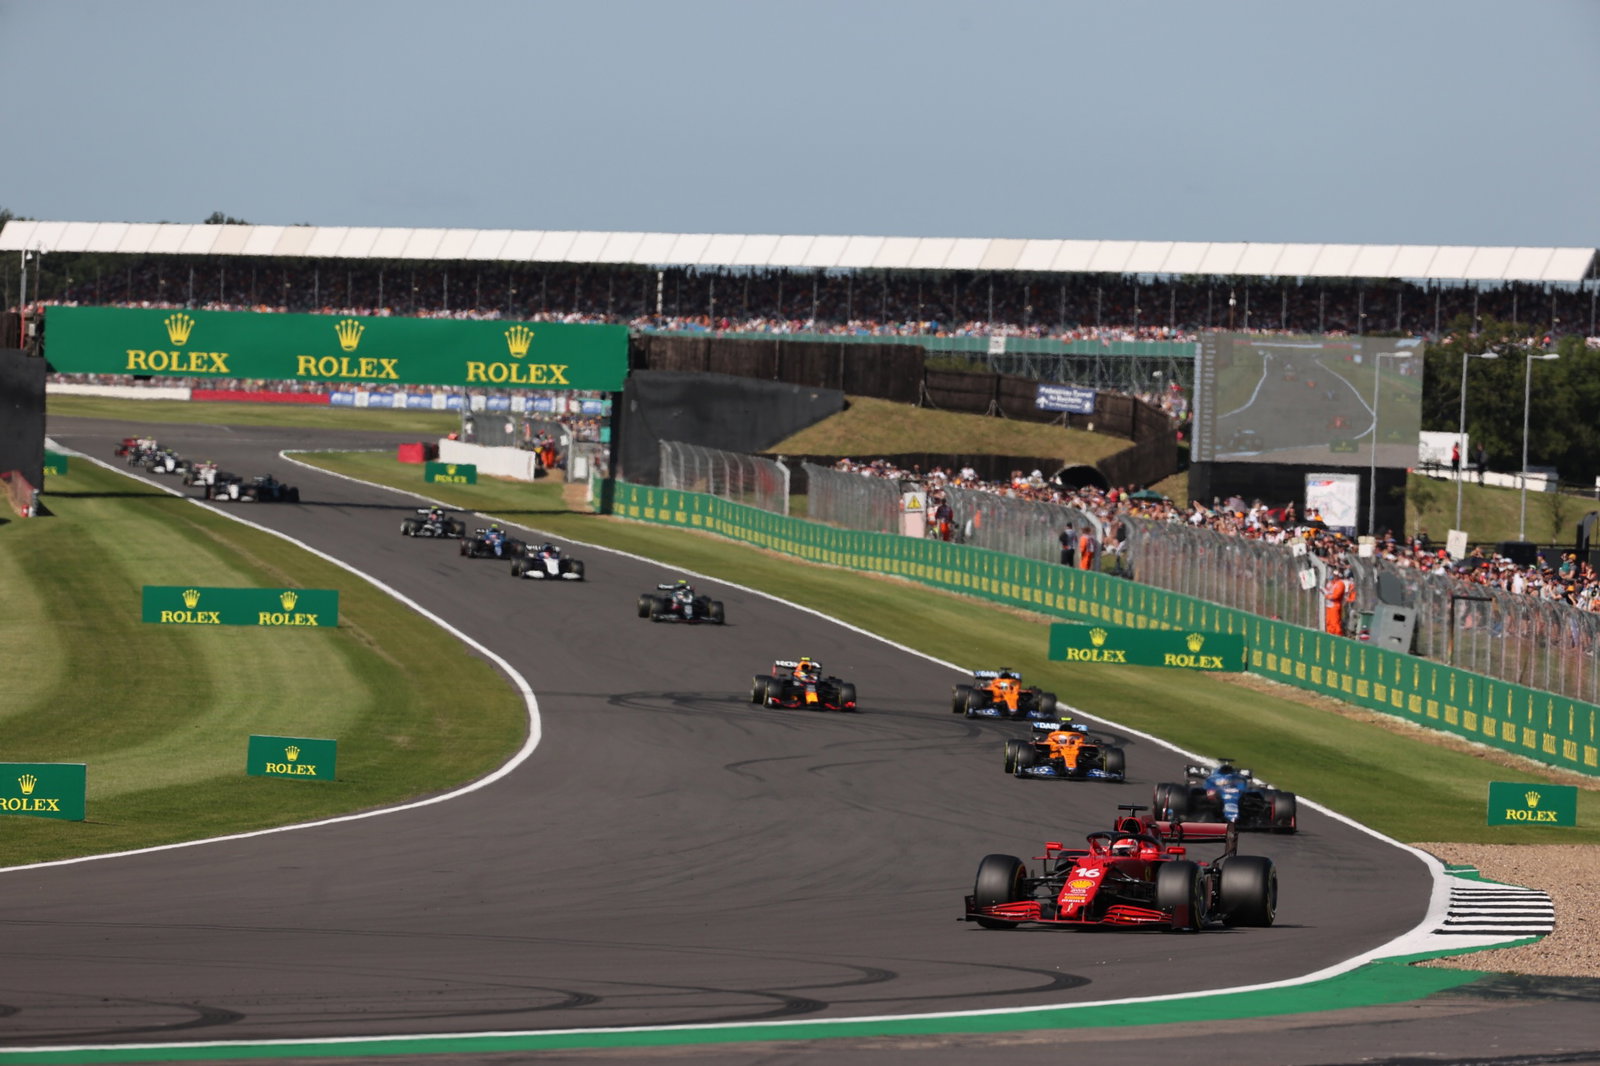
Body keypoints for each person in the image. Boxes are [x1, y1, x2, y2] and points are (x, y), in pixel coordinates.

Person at [1323, 567, 1351, 636]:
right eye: (1334, 575)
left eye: (1336, 575)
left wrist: (1327, 596)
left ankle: (1338, 637)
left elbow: (1336, 596)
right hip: (1329, 605)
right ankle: (1329, 636)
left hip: (1335, 606)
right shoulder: (1331, 583)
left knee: (1335, 624)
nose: (1334, 576)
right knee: (1328, 623)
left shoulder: (1340, 584)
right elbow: (1327, 590)